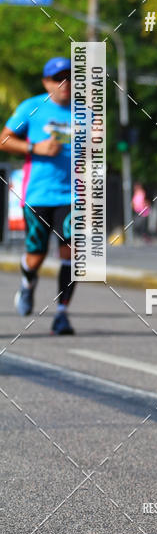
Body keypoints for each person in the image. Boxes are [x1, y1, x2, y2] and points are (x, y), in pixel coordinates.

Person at [0, 56, 75, 335]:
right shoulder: (31, 107)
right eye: (58, 78)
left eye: (70, 77)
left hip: (72, 196)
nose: (65, 83)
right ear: (47, 82)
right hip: (38, 195)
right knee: (37, 254)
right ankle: (27, 282)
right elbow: (3, 139)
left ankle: (62, 314)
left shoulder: (86, 113)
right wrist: (36, 148)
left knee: (72, 253)